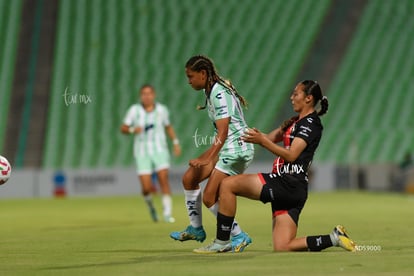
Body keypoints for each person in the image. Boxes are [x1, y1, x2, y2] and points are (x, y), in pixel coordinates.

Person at [194, 80, 357, 253]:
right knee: (283, 246)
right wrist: (244, 131)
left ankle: (222, 241)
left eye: (296, 94)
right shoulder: (294, 121)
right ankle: (334, 238)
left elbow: (292, 155)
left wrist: (262, 141)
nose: (291, 97)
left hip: (287, 183)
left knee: (228, 185)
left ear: (308, 98)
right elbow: (269, 137)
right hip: (292, 189)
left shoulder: (311, 124)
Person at [170, 55, 254, 252]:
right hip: (228, 147)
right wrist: (206, 157)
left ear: (203, 74)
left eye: (191, 76)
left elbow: (224, 133)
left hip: (236, 149)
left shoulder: (218, 94)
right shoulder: (212, 89)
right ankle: (196, 229)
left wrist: (206, 157)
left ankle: (238, 235)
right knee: (190, 178)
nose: (189, 81)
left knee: (209, 197)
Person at [121, 84, 181, 223]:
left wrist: (176, 142)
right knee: (147, 187)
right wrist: (132, 130)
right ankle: (151, 206)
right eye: (143, 94)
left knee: (163, 179)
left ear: (154, 95)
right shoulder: (134, 110)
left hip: (160, 149)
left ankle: (167, 213)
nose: (146, 96)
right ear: (140, 96)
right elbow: (123, 128)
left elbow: (168, 127)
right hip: (142, 151)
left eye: (149, 93)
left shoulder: (162, 110)